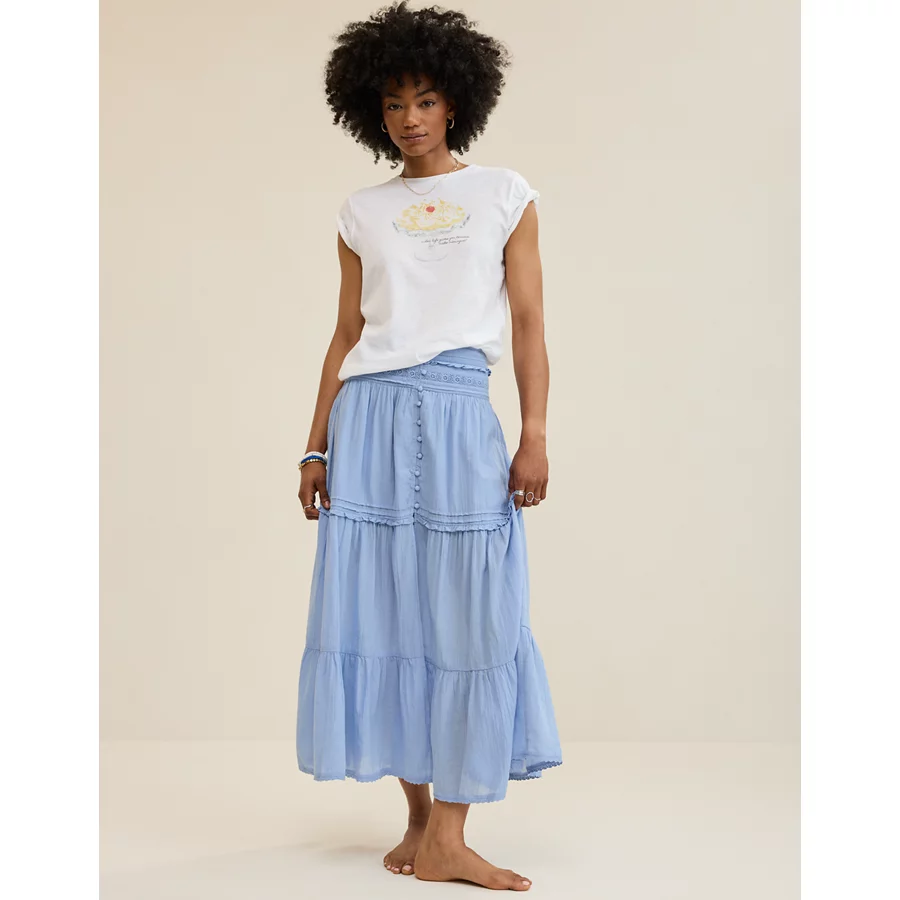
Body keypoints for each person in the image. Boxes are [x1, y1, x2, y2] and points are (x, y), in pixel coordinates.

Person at [296, 2, 561, 891]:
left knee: (472, 612)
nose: (408, 118)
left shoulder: (505, 194)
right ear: (370, 111)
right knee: (386, 613)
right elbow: (345, 335)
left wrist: (533, 433)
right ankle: (420, 827)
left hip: (456, 412)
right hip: (368, 416)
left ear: (456, 103)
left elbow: (528, 323)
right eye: (392, 103)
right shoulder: (360, 211)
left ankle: (451, 832)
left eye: (425, 100)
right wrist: (314, 448)